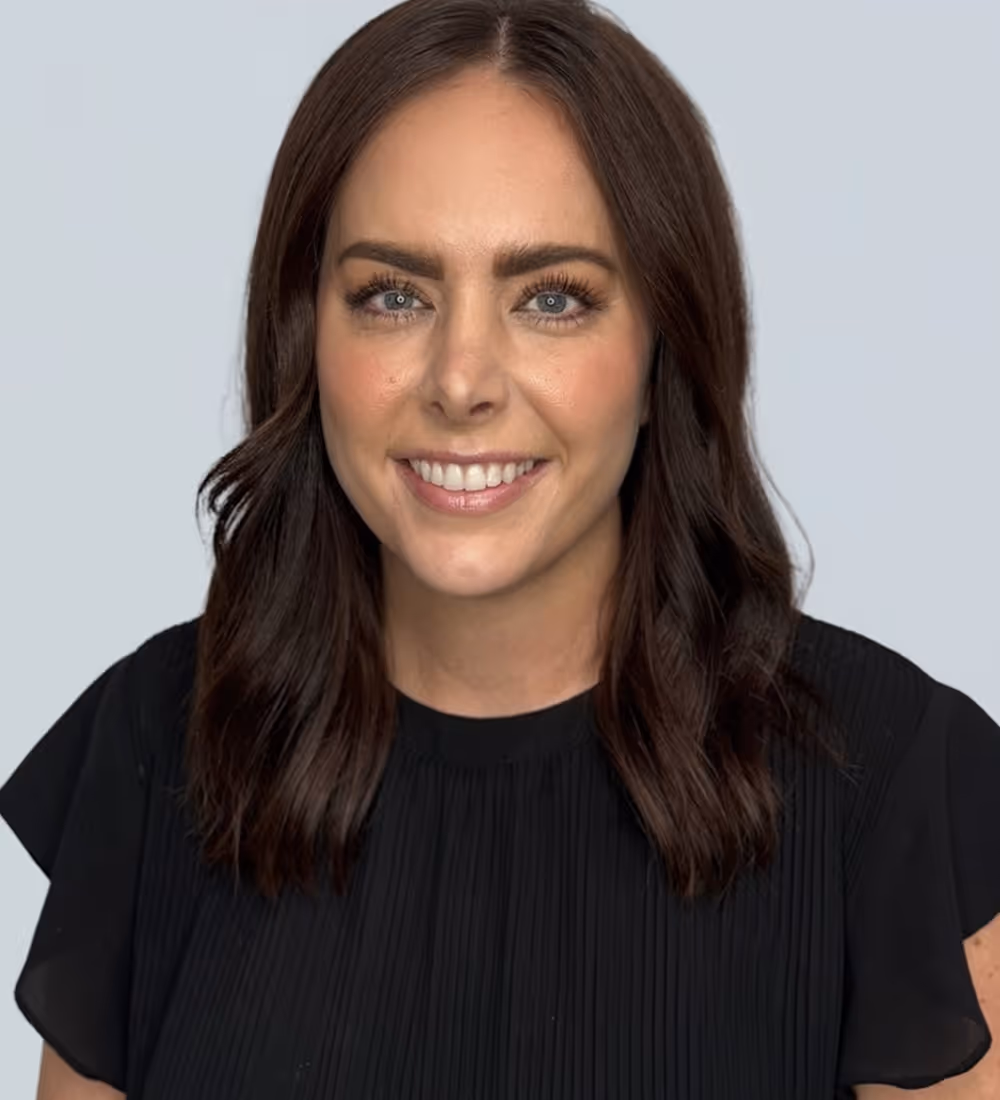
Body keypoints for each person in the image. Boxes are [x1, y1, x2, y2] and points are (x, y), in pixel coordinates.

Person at [1, 1, 998, 1097]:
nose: (461, 378)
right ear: (304, 329)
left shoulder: (892, 782)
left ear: (663, 336)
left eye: (552, 298)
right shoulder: (156, 744)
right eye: (391, 294)